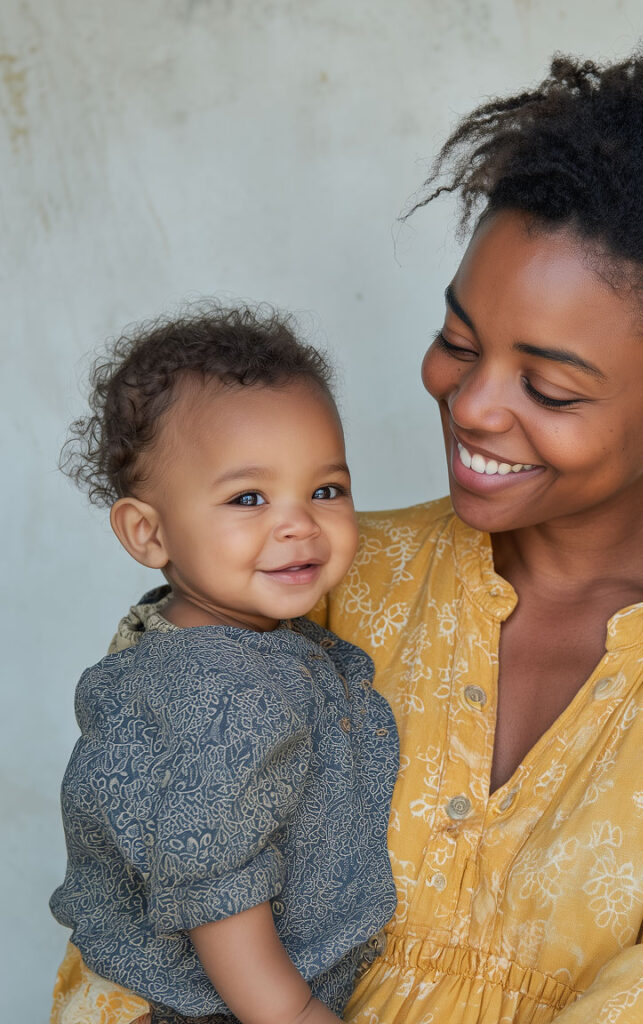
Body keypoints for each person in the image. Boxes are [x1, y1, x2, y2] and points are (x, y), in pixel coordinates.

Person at [54, 38, 643, 1024]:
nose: (473, 404)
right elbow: (128, 919)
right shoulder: (308, 567)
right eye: (457, 341)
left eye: (549, 386)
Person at [49, 307, 398, 1024]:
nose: (299, 523)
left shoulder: (207, 644)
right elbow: (216, 887)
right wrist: (292, 1012)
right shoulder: (226, 694)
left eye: (325, 489)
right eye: (249, 498)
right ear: (148, 533)